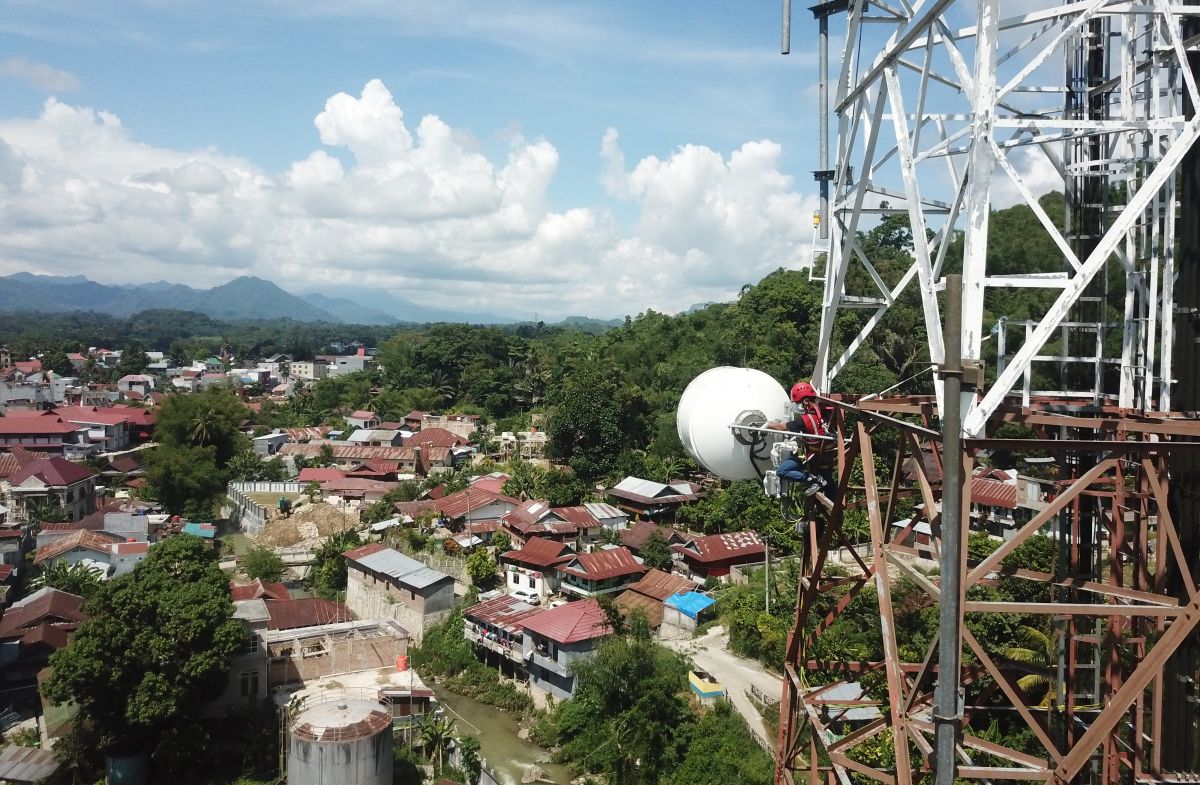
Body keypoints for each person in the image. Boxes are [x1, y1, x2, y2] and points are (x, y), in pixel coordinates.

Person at [765, 380, 829, 497]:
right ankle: (812, 479)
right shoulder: (821, 412)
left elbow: (782, 427)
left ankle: (813, 480)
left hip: (811, 455)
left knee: (782, 471)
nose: (799, 406)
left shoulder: (805, 419)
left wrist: (767, 424)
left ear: (805, 401)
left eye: (799, 403)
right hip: (820, 452)